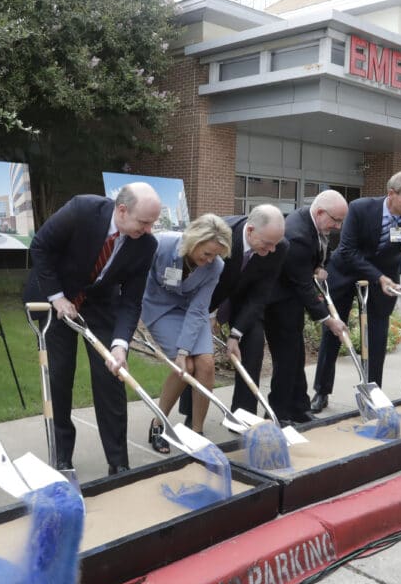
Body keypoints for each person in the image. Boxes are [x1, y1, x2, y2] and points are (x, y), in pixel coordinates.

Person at [23, 183, 162, 474]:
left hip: (99, 303)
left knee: (111, 376)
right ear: (122, 211)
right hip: (55, 295)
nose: (149, 230)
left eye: (153, 223)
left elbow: (131, 300)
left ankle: (118, 462)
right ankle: (62, 457)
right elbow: (41, 247)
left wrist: (120, 344)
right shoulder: (82, 210)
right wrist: (57, 298)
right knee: (60, 376)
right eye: (144, 222)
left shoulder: (146, 244)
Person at [310, 170, 401, 412]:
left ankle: (372, 394)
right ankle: (322, 391)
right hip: (346, 272)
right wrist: (378, 276)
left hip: (384, 282)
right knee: (335, 333)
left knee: (377, 338)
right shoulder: (360, 208)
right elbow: (347, 250)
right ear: (391, 194)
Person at [141, 213, 232, 448]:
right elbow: (135, 276)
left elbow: (199, 308)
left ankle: (196, 432)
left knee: (206, 365)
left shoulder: (216, 267)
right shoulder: (162, 245)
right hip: (161, 308)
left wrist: (184, 349)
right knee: (186, 368)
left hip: (192, 311)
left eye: (216, 255)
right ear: (194, 241)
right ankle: (159, 424)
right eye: (207, 253)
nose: (211, 260)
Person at [263, 191, 349, 424]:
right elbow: (302, 285)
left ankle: (299, 407)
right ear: (320, 212)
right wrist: (328, 319)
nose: (338, 226)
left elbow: (318, 256)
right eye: (336, 220)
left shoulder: (314, 222)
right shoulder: (298, 235)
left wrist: (319, 266)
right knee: (286, 360)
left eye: (341, 221)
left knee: (296, 355)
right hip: (278, 303)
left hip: (291, 300)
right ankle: (278, 414)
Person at [202, 204, 288, 416]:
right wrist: (210, 315)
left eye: (275, 244)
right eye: (267, 244)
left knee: (254, 344)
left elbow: (260, 294)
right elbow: (202, 279)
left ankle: (243, 414)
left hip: (247, 298)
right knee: (200, 354)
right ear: (250, 231)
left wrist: (236, 334)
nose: (272, 250)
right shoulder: (221, 234)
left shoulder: (279, 247)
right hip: (210, 293)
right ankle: (192, 417)